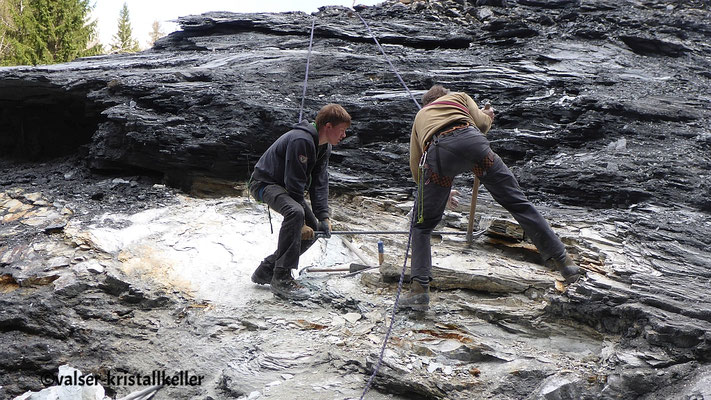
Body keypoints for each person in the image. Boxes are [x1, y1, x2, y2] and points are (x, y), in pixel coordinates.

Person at [400, 85, 580, 311]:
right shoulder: (459, 97)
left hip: (439, 155)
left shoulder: (420, 116)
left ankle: (419, 291)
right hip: (474, 144)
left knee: (422, 226)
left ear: (427, 104)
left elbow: (417, 164)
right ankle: (565, 262)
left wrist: (437, 193)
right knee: (518, 203)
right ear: (444, 96)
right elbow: (482, 124)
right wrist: (488, 117)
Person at [248, 104, 351, 300]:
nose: (344, 135)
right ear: (328, 126)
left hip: (285, 188)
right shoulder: (301, 140)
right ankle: (282, 278)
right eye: (342, 130)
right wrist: (301, 223)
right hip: (265, 183)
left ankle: (267, 269)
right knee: (295, 213)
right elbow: (293, 180)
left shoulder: (324, 147)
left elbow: (319, 182)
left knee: (315, 229)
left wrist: (323, 216)